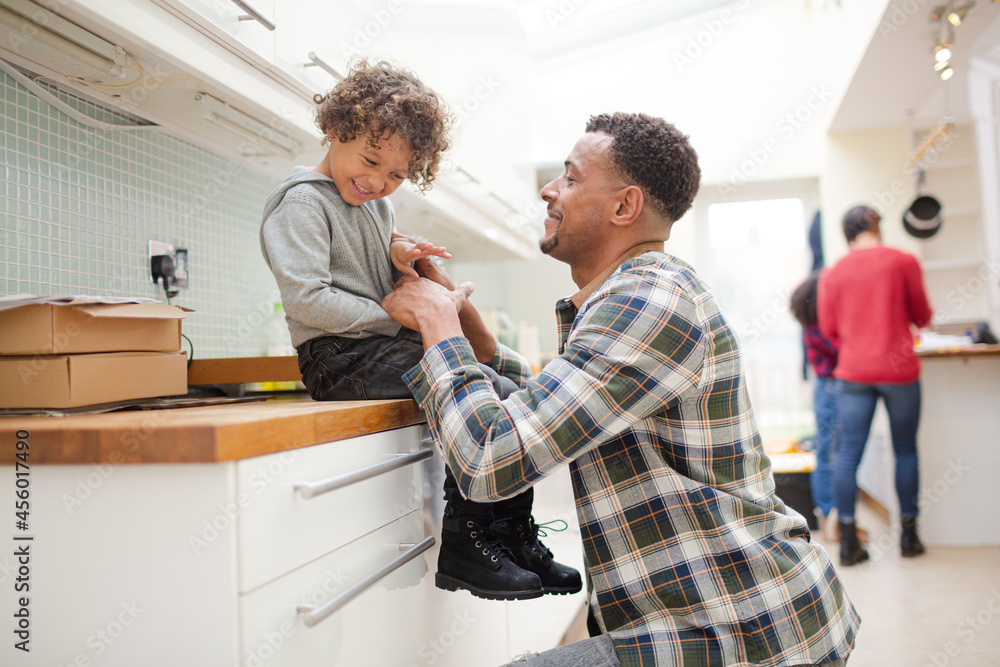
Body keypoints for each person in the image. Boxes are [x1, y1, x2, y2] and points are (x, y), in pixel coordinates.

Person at [382, 113, 859, 667]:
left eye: (571, 177)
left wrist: (438, 327)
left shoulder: (645, 300)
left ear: (624, 207)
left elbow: (490, 458)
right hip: (715, 621)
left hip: (738, 631)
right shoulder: (639, 290)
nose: (549, 189)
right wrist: (474, 335)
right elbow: (558, 406)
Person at [259, 60, 580, 601]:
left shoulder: (374, 204)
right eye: (369, 160)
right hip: (338, 358)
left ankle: (510, 537)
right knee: (490, 398)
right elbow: (308, 299)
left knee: (502, 398)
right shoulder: (302, 203)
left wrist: (398, 253)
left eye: (396, 175)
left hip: (375, 348)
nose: (378, 181)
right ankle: (467, 541)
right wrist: (399, 314)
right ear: (336, 130)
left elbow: (359, 260)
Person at [818, 205, 932, 566]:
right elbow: (923, 316)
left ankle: (849, 542)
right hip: (899, 372)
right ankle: (909, 537)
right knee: (905, 449)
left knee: (847, 455)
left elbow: (829, 330)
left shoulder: (834, 273)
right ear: (875, 225)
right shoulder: (903, 261)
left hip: (853, 373)